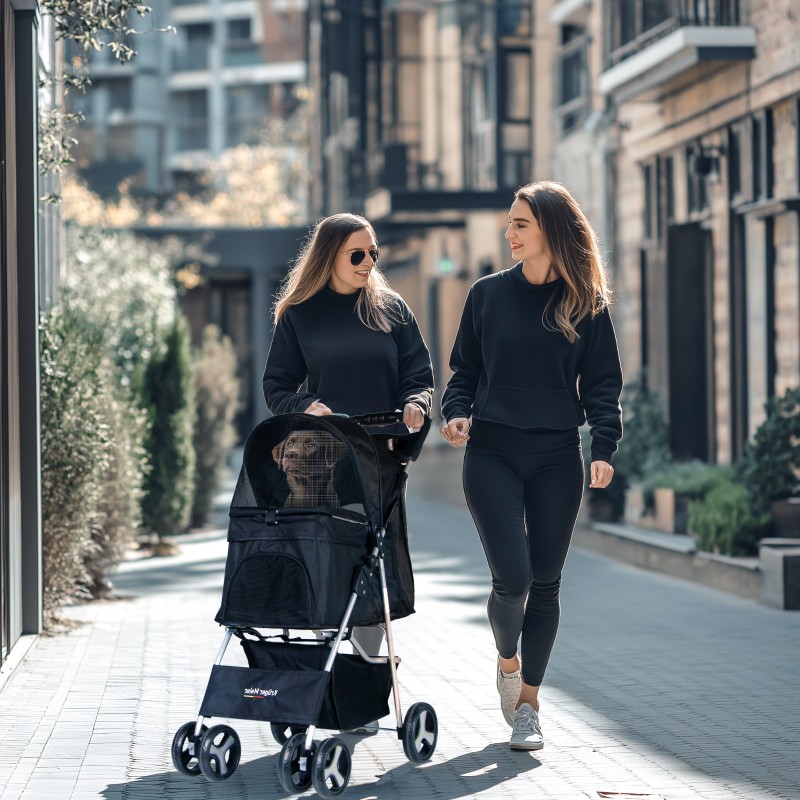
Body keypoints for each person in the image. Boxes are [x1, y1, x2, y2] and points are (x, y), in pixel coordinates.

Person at [440, 180, 622, 751]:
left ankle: (529, 708)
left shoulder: (584, 302)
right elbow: (463, 371)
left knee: (545, 585)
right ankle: (507, 660)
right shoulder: (487, 295)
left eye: (520, 223)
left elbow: (601, 383)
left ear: (549, 229)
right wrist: (457, 413)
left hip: (556, 456)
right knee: (512, 579)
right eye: (509, 223)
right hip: (491, 449)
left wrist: (605, 447)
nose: (509, 232)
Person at [262, 212, 434, 731]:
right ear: (330, 256)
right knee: (323, 565)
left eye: (373, 254)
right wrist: (307, 404)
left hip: (378, 460)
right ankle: (322, 680)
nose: (368, 263)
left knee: (371, 566)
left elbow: (420, 375)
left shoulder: (391, 310)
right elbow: (277, 386)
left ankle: (359, 689)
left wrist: (417, 404)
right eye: (357, 255)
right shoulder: (299, 314)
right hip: (319, 463)